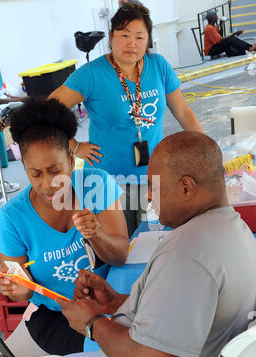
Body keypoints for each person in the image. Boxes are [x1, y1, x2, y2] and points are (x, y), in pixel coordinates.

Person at [33, 130, 256, 357]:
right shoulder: (236, 230)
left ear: (186, 187)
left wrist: (92, 323)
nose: (148, 196)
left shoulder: (185, 255)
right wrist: (118, 301)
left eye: (154, 185)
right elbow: (187, 310)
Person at [48, 3, 203, 238]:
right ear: (111, 37)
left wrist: (207, 152)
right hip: (106, 181)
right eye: (124, 35)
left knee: (152, 241)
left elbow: (183, 112)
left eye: (140, 37)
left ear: (148, 39)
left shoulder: (159, 66)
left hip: (153, 177)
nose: (132, 43)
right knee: (118, 247)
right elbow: (48, 111)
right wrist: (74, 146)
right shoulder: (91, 74)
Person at [0, 97, 129, 356]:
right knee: (120, 351)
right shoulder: (10, 220)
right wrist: (20, 289)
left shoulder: (96, 185)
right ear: (24, 167)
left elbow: (120, 256)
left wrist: (95, 233)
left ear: (70, 157)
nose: (48, 184)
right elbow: (21, 291)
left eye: (55, 170)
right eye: (35, 173)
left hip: (112, 299)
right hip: (55, 317)